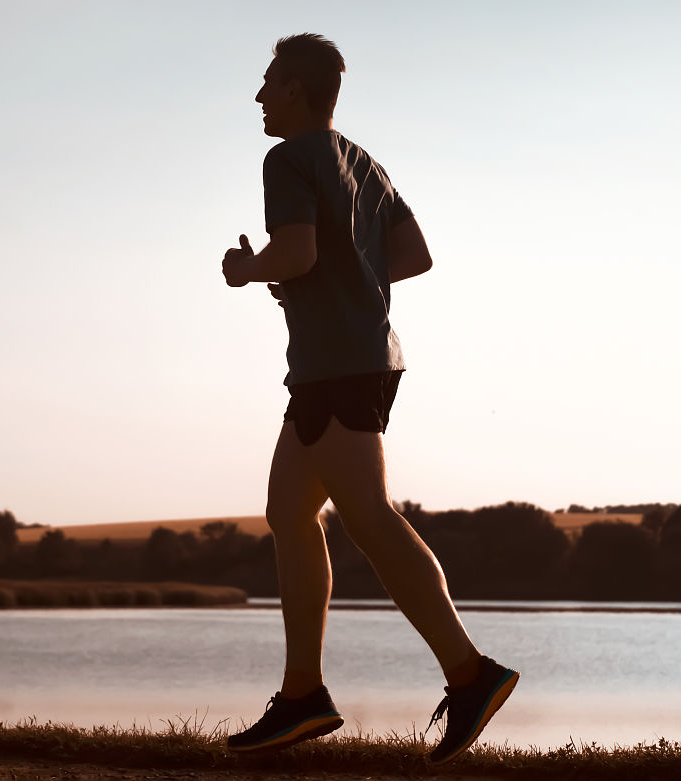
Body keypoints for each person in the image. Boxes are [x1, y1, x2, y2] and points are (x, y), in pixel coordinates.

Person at [219, 33, 518, 765]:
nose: (259, 97)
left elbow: (296, 253)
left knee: (372, 519)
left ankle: (471, 673)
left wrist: (246, 268)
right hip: (354, 359)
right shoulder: (362, 161)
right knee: (289, 511)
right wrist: (345, 274)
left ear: (295, 89)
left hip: (338, 365)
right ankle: (302, 696)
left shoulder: (286, 158)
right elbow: (414, 255)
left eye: (268, 84)